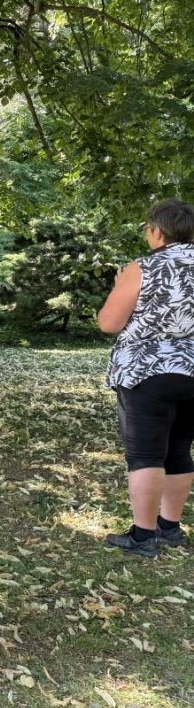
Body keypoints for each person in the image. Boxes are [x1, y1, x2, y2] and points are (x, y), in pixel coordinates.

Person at [98, 199, 194, 558]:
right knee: (180, 451)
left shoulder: (142, 267)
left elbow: (109, 323)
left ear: (157, 231)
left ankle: (143, 536)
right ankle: (170, 528)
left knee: (145, 456)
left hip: (146, 372)